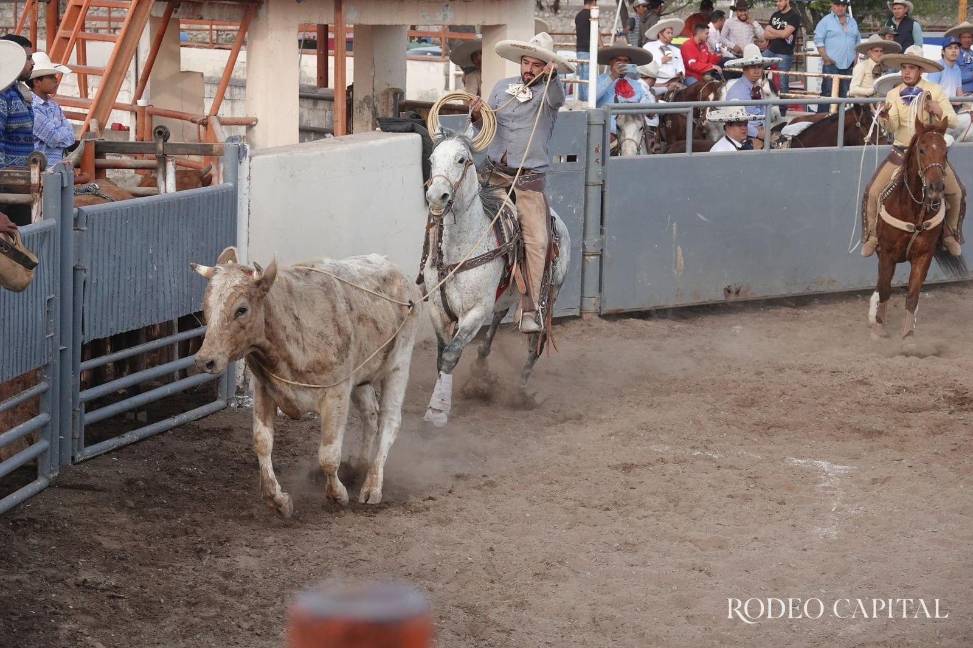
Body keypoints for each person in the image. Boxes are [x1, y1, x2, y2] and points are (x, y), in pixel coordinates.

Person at [470, 33, 572, 333]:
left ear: (546, 67)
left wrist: (552, 76)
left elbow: (557, 98)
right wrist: (477, 115)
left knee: (537, 241)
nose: (528, 69)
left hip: (527, 183)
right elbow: (486, 127)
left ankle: (531, 308)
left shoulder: (550, 95)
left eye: (536, 64)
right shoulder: (502, 88)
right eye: (526, 62)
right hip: (491, 175)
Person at [861, 45, 963, 258]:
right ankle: (872, 236)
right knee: (872, 192)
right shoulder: (892, 94)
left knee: (956, 192)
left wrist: (939, 110)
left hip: (929, 154)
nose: (906, 72)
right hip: (901, 152)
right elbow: (892, 128)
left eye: (912, 68)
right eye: (904, 67)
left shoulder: (934, 91)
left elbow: (953, 121)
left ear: (921, 71)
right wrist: (886, 118)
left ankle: (949, 234)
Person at [724, 44, 780, 144]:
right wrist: (758, 133)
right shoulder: (737, 91)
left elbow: (762, 113)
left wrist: (765, 130)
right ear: (744, 68)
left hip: (759, 134)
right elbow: (735, 121)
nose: (757, 71)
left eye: (759, 67)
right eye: (752, 67)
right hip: (744, 139)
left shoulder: (758, 88)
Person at [28, 51, 75, 167]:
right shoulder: (31, 106)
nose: (56, 80)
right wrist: (61, 134)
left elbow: (71, 136)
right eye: (51, 77)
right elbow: (54, 138)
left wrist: (59, 135)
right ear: (37, 82)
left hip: (56, 167)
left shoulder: (53, 105)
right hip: (40, 169)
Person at [813, 0, 860, 114]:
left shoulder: (852, 21)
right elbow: (818, 40)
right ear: (832, 6)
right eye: (837, 5)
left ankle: (839, 121)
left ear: (846, 7)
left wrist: (855, 59)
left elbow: (857, 42)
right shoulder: (826, 21)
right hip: (831, 64)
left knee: (845, 94)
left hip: (848, 65)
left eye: (843, 5)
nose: (840, 8)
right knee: (827, 93)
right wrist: (826, 58)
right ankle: (821, 119)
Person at [0, 34, 35, 171]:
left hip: (18, 179)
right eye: (28, 58)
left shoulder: (17, 92)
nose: (33, 63)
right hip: (7, 182)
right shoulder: (3, 95)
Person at [763, 0, 802, 113]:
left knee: (783, 83)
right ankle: (761, 101)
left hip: (785, 53)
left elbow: (785, 34)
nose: (777, 4)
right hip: (770, 50)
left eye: (780, 1)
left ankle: (782, 111)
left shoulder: (795, 16)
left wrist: (772, 31)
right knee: (756, 67)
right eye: (776, 1)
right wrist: (780, 33)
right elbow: (765, 34)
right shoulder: (775, 15)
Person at [643, 18, 689, 92]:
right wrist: (660, 61)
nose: (671, 35)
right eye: (668, 33)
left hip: (674, 81)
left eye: (671, 33)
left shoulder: (676, 50)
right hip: (656, 82)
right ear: (660, 34)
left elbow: (681, 66)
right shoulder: (649, 47)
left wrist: (680, 73)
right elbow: (644, 67)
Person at [574, 0, 596, 101]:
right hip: (589, 50)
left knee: (581, 77)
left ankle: (581, 99)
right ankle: (587, 100)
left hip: (579, 49)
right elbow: (597, 32)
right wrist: (603, 47)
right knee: (588, 77)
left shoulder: (578, 15)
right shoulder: (592, 15)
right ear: (594, 2)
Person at [944, 21, 973, 95]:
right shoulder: (954, 55)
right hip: (963, 94)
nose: (967, 40)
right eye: (964, 37)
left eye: (969, 37)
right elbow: (954, 76)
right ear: (959, 39)